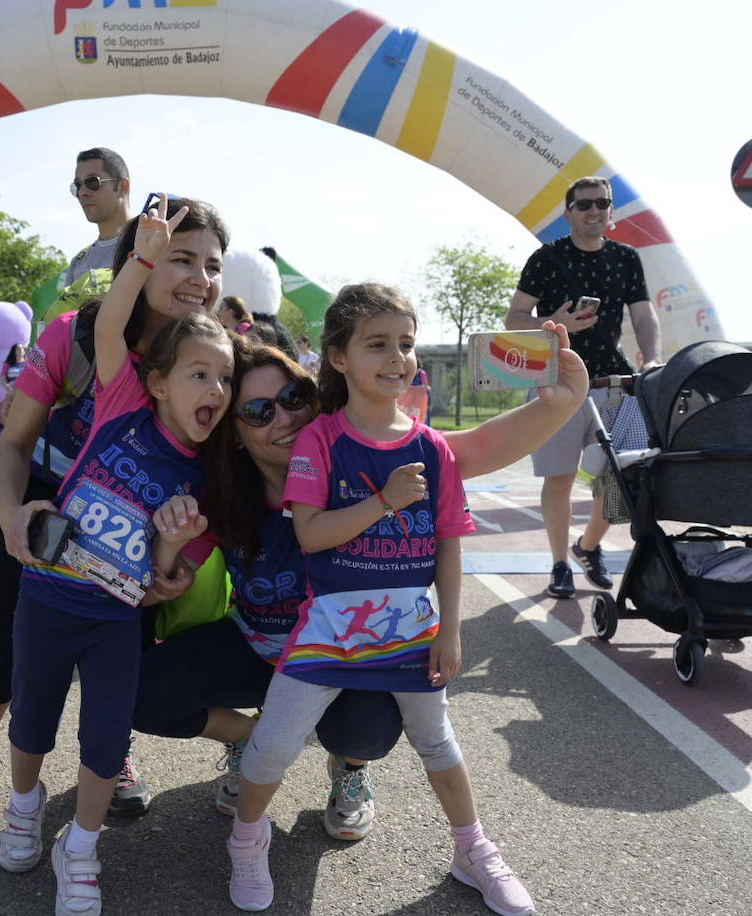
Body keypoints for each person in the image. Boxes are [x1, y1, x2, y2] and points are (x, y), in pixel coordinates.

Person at [218, 283, 585, 915]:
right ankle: (247, 841)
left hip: (411, 630)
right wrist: (384, 500)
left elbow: (448, 542)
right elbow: (310, 533)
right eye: (377, 344)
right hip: (328, 631)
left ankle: (473, 850)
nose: (397, 358)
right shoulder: (321, 441)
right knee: (274, 742)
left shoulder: (431, 447)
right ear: (337, 357)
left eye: (406, 344)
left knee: (439, 743)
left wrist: (451, 630)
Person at [0, 196, 228, 831]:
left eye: (213, 264)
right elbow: (13, 444)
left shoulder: (222, 355)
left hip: (137, 529)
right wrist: (13, 515)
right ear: (139, 260)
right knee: (2, 652)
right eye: (182, 258)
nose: (200, 279)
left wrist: (177, 564)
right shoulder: (75, 336)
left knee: (125, 653)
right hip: (41, 506)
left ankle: (110, 751)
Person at [134, 341, 404, 841]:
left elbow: (461, 455)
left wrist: (557, 403)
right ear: (235, 435)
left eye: (293, 396)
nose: (284, 417)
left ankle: (348, 768)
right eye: (259, 411)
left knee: (370, 726)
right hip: (259, 650)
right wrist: (171, 548)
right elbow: (156, 586)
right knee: (138, 690)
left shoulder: (357, 474)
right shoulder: (225, 496)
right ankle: (251, 741)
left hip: (341, 659)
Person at [505, 176, 661, 599]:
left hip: (614, 382)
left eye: (602, 204)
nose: (594, 210)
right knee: (559, 479)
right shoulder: (546, 258)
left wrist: (652, 356)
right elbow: (513, 318)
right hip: (556, 380)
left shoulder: (627, 258)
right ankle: (560, 566)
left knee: (624, 477)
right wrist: (550, 323)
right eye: (584, 204)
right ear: (568, 213)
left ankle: (587, 546)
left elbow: (644, 316)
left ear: (611, 212)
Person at [66, 147, 131, 284]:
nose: (82, 192)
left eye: (92, 182)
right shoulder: (78, 263)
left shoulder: (150, 245)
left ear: (122, 186)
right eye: (77, 185)